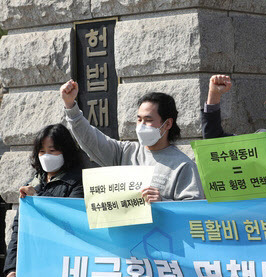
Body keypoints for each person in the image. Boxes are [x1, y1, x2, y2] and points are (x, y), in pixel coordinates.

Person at [60, 80, 204, 201]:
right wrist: (70, 106)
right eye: (139, 119)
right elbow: (91, 139)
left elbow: (192, 211)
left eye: (148, 120)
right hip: (125, 233)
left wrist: (163, 202)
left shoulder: (183, 166)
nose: (141, 126)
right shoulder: (125, 152)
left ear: (167, 124)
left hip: (160, 234)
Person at [4, 124, 85, 277]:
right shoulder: (33, 183)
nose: (46, 156)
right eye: (42, 151)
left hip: (62, 265)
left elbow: (71, 222)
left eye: (52, 151)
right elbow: (18, 230)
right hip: (32, 264)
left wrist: (37, 199)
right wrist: (12, 267)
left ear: (66, 152)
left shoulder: (78, 183)